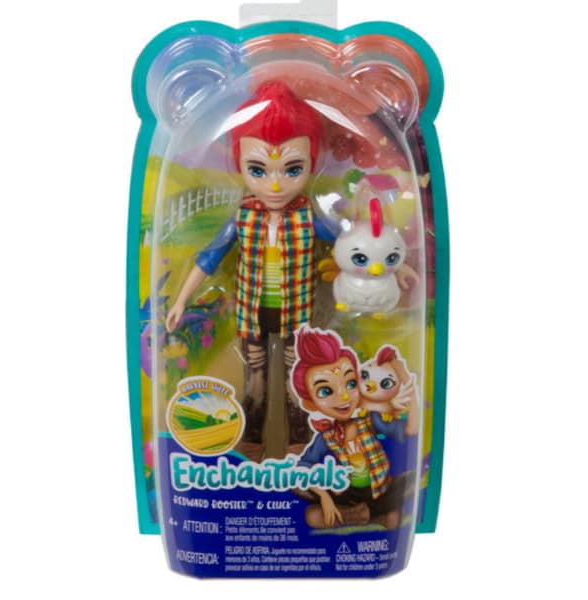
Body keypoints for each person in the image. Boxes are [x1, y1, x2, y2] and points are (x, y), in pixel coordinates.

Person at [165, 81, 338, 461]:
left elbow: (346, 246)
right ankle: (252, 444)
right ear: (240, 163)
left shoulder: (308, 216)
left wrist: (380, 262)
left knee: (296, 382)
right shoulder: (243, 217)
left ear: (311, 163)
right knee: (255, 382)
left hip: (297, 314)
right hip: (251, 314)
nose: (275, 184)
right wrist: (180, 301)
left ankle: (299, 445)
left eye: (292, 169)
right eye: (258, 169)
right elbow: (209, 258)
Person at [290, 326, 418, 529]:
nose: (344, 396)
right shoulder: (326, 437)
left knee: (407, 487)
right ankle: (367, 516)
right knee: (310, 511)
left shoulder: (371, 420)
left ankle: (359, 515)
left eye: (350, 384)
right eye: (325, 391)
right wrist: (324, 495)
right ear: (310, 404)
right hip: (347, 494)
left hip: (378, 490)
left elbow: (411, 429)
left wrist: (404, 377)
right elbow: (302, 468)